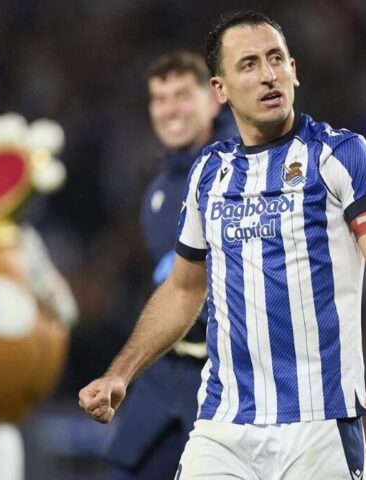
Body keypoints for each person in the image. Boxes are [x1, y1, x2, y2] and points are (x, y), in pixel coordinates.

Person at [80, 11, 366, 479]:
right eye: (249, 64)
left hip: (319, 422)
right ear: (220, 90)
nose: (268, 74)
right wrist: (120, 374)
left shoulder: (339, 154)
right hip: (224, 424)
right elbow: (183, 289)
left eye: (276, 59)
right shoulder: (209, 172)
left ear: (293, 71)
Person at [101, 50, 237, 479]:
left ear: (213, 99)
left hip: (229, 372)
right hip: (166, 372)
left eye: (182, 95)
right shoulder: (158, 192)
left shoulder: (244, 167)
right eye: (160, 98)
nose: (170, 109)